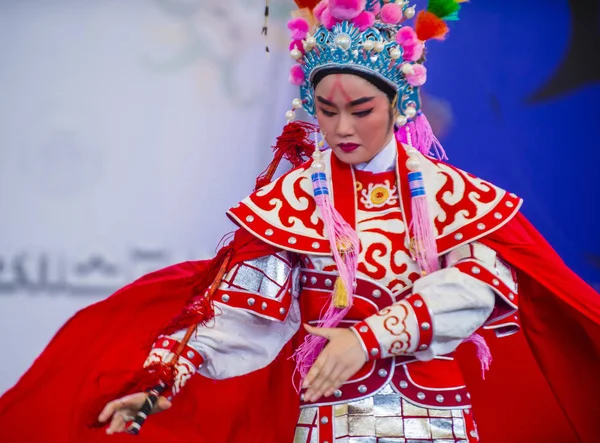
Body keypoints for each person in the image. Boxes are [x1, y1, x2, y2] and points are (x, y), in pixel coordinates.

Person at [1, 1, 599, 442]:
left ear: (400, 103)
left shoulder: (447, 194)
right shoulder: (297, 198)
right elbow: (240, 312)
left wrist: (367, 336)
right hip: (332, 419)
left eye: (361, 110)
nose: (341, 129)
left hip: (436, 420)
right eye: (327, 110)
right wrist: (161, 379)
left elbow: (480, 287)